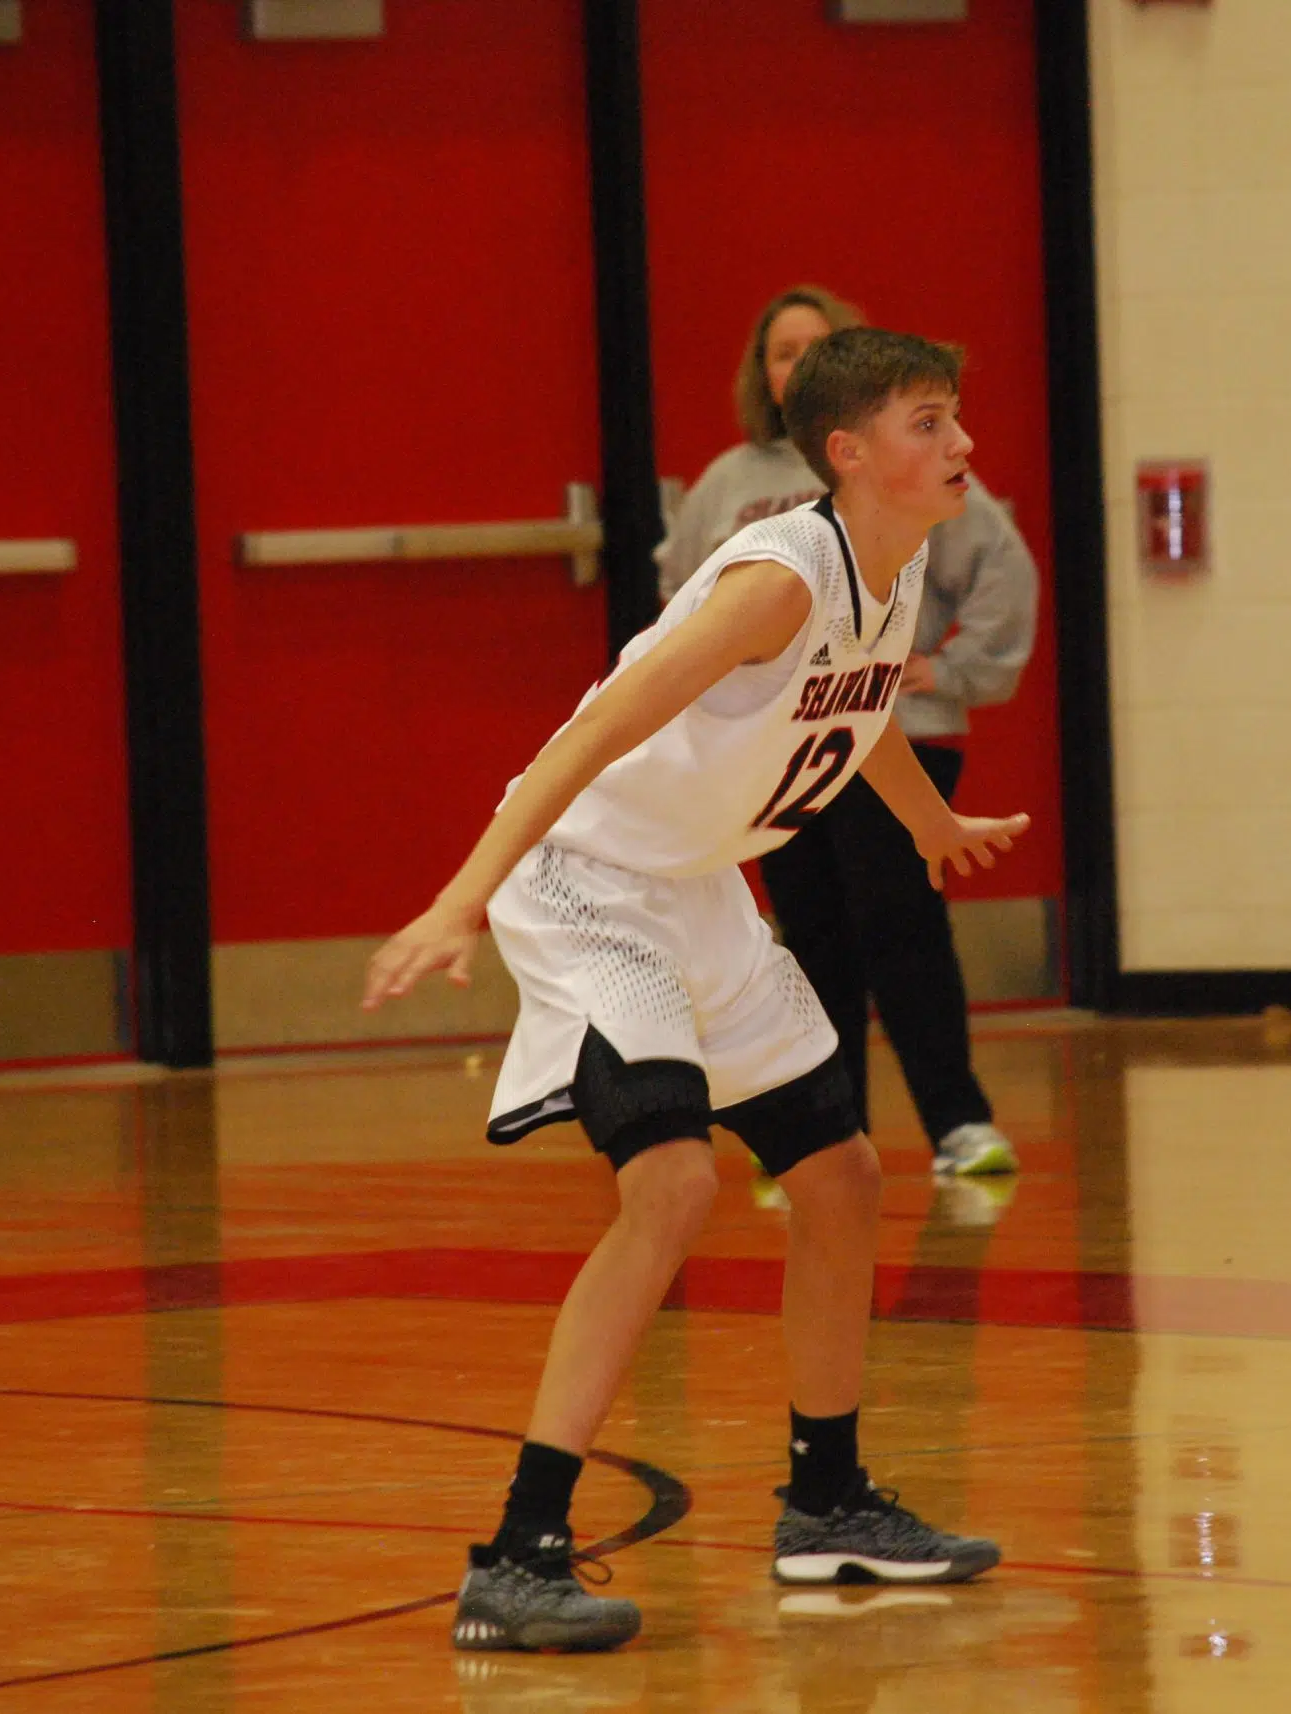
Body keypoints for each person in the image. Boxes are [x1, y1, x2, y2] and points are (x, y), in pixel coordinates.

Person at [364, 326, 1022, 1653]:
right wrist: (462, 896)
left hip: (698, 891)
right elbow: (589, 729)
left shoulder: (889, 568)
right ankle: (519, 1553)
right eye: (929, 422)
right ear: (849, 453)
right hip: (589, 884)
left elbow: (857, 707)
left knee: (842, 1176)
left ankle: (827, 1503)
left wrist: (927, 824)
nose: (961, 443)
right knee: (670, 1185)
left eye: (955, 416)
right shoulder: (777, 581)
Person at [658, 285, 1038, 1179]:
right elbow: (679, 603)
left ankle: (957, 1121)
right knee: (809, 937)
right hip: (783, 750)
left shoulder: (910, 480)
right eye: (781, 352)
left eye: (816, 347)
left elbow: (1002, 566)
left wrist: (949, 668)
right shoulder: (734, 487)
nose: (798, 365)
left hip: (890, 729)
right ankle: (830, 1133)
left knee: (900, 923)